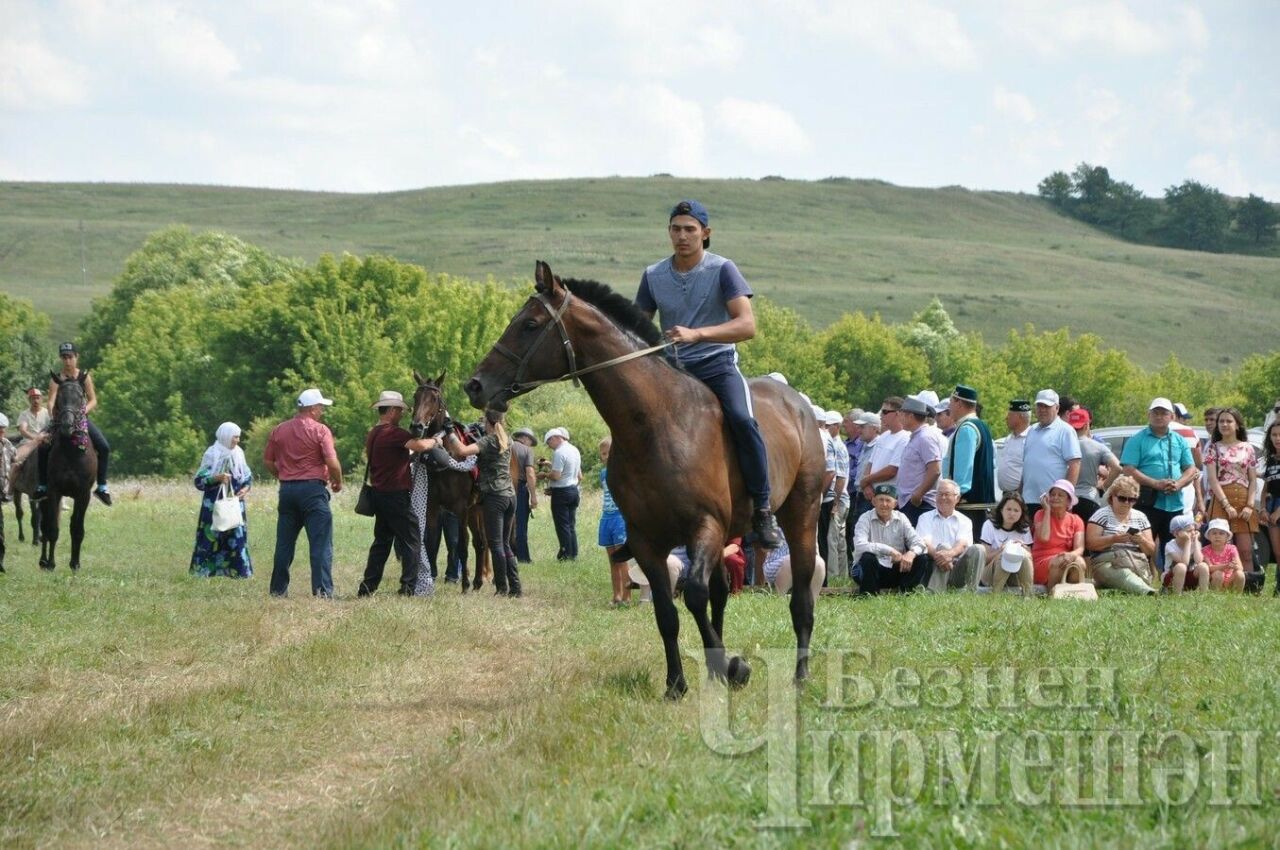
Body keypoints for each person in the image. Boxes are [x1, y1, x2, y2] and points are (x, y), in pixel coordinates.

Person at [635, 199, 782, 547]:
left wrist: (697, 334)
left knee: (744, 421)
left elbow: (747, 325)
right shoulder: (653, 275)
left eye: (689, 229)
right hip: (673, 371)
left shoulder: (723, 269)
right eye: (676, 229)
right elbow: (635, 327)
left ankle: (762, 509)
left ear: (705, 233)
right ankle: (644, 516)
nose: (682, 236)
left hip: (717, 366)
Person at [263, 388, 343, 598]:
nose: (322, 411)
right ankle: (322, 591)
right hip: (313, 490)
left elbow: (268, 461)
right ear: (313, 409)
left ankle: (278, 591)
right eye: (321, 407)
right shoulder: (321, 430)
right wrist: (338, 480)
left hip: (287, 491)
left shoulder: (279, 430)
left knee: (284, 544)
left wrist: (283, 475)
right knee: (320, 543)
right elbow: (332, 461)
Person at [357, 391, 437, 598]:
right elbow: (420, 445)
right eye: (400, 410)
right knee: (412, 540)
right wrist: (437, 439)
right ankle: (408, 588)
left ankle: (367, 588)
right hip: (396, 496)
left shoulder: (373, 433)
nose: (402, 414)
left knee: (381, 543)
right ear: (391, 410)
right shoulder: (394, 433)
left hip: (379, 494)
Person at [445, 408, 521, 596]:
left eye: (483, 421)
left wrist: (449, 431)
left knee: (495, 544)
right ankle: (516, 588)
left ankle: (502, 589)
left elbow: (461, 450)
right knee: (504, 543)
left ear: (488, 422)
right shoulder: (507, 439)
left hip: (494, 497)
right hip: (510, 496)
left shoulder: (489, 441)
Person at [1119, 397, 1197, 558]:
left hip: (1174, 503)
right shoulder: (1137, 439)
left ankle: (1171, 580)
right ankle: (1141, 579)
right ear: (1149, 415)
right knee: (1142, 545)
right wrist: (1155, 483)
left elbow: (1191, 468)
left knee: (1175, 547)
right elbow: (1128, 468)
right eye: (1155, 412)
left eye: (1164, 413)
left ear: (1172, 417)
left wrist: (1179, 484)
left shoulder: (1179, 440)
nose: (1159, 416)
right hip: (1147, 502)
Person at [37, 342, 113, 505]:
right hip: (60, 419)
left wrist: (82, 412)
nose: (67, 361)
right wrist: (52, 414)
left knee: (104, 447)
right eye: (64, 357)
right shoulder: (56, 379)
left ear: (76, 357)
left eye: (70, 357)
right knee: (42, 446)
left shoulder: (84, 377)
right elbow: (50, 401)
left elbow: (93, 400)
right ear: (61, 358)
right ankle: (42, 486)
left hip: (80, 419)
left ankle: (102, 487)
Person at [189, 422, 253, 578]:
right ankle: (204, 572)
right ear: (225, 436)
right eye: (235, 437)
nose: (237, 440)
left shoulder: (238, 454)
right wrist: (215, 478)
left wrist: (244, 489)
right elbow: (199, 481)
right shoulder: (212, 454)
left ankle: (239, 572)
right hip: (213, 506)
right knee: (209, 538)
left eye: (238, 437)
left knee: (236, 538)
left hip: (235, 504)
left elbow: (247, 477)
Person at [1204, 406, 1258, 573]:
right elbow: (1212, 480)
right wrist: (1226, 504)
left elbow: (1253, 479)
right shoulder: (1213, 447)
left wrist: (1249, 505)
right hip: (1221, 500)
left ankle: (1248, 586)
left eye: (1229, 421)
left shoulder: (1247, 448)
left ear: (1237, 425)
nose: (1224, 424)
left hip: (1243, 500)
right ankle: (1220, 587)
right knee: (1218, 548)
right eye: (1221, 421)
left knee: (1246, 551)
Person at [1085, 474, 1158, 595]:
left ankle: (1131, 587)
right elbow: (1090, 544)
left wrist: (1142, 541)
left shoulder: (1141, 517)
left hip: (1136, 562)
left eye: (1132, 499)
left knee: (1130, 578)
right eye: (1122, 498)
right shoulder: (1101, 515)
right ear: (1112, 496)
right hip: (1107, 562)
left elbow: (1151, 550)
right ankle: (1148, 592)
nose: (1127, 503)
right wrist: (1113, 539)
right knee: (1124, 576)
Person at [853, 483, 929, 594]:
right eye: (880, 500)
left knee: (922, 557)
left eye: (888, 500)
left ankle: (906, 592)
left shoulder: (901, 518)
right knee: (867, 557)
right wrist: (890, 551)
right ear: (874, 502)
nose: (884, 504)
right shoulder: (865, 518)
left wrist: (911, 553)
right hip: (870, 571)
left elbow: (919, 542)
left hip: (895, 569)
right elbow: (860, 545)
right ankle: (868, 594)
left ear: (895, 504)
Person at [942, 385, 996, 531]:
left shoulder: (966, 428)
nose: (949, 407)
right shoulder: (982, 425)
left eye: (951, 402)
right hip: (981, 503)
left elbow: (963, 470)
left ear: (959, 403)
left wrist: (954, 495)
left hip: (969, 504)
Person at [1020, 389, 1081, 518]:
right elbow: (1027, 465)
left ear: (1057, 408)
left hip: (1053, 503)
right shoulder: (1031, 430)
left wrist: (1066, 498)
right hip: (1028, 501)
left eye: (1047, 406)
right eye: (1039, 406)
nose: (1042, 409)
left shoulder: (1065, 430)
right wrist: (1019, 494)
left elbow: (1074, 465)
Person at [916, 479, 985, 592]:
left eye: (947, 494)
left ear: (957, 498)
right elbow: (925, 543)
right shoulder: (925, 517)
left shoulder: (965, 521)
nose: (943, 498)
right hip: (932, 566)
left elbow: (963, 544)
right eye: (940, 494)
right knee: (944, 546)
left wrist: (949, 555)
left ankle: (971, 592)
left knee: (979, 549)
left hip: (957, 568)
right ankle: (935, 592)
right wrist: (942, 556)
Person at [1066, 407, 1121, 521]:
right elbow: (1117, 467)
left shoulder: (1062, 446)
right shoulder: (1098, 446)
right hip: (1089, 499)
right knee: (1090, 537)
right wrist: (1105, 486)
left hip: (1066, 500)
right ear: (1087, 425)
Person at [1032, 478, 1086, 590]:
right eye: (1052, 494)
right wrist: (1047, 510)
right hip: (1041, 562)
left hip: (1065, 558)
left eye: (1060, 495)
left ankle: (1072, 596)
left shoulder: (1076, 520)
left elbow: (1080, 548)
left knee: (1080, 562)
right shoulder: (1040, 514)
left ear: (1068, 501)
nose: (1055, 497)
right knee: (1059, 561)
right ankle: (1052, 596)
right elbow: (1044, 538)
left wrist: (1072, 555)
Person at [895, 395, 942, 524]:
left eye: (902, 414)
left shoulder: (925, 437)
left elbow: (935, 470)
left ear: (910, 416)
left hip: (920, 504)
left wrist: (918, 494)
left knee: (918, 542)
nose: (899, 417)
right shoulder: (916, 437)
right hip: (910, 502)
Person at [978, 492, 1034, 596]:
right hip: (990, 574)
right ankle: (996, 595)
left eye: (1016, 510)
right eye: (1008, 509)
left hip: (1015, 574)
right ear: (1001, 509)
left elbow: (1030, 558)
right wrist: (1001, 550)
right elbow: (985, 559)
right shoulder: (989, 525)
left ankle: (1028, 596)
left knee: (1025, 556)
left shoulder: (1025, 528)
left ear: (1021, 513)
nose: (1012, 514)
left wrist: (1024, 548)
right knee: (1004, 556)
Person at [596, 436, 630, 606]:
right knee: (613, 560)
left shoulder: (624, 471)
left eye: (609, 453)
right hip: (606, 518)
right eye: (603, 454)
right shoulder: (603, 473)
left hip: (619, 518)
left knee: (622, 559)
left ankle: (627, 596)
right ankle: (616, 595)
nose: (607, 456)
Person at [540, 427, 581, 561]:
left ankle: (565, 554)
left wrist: (544, 475)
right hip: (574, 490)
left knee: (562, 525)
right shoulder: (574, 450)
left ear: (555, 438)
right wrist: (551, 464)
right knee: (571, 524)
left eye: (549, 442)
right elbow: (579, 475)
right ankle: (573, 553)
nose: (549, 446)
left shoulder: (559, 452)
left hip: (562, 494)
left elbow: (556, 476)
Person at [860, 397, 907, 505]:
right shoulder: (883, 436)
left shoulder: (905, 438)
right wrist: (867, 486)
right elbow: (870, 464)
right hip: (872, 494)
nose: (881, 416)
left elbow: (891, 471)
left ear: (898, 414)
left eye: (885, 412)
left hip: (889, 498)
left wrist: (866, 481)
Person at [824, 411, 851, 581]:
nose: (825, 428)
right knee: (839, 540)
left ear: (837, 427)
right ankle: (841, 576)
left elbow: (840, 477)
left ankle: (832, 575)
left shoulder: (838, 447)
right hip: (841, 498)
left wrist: (834, 502)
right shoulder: (833, 443)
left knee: (831, 539)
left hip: (838, 498)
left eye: (829, 425)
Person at [510, 427, 538, 563]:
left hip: (501, 489)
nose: (530, 445)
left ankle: (507, 555)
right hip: (519, 489)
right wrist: (533, 496)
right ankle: (523, 557)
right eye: (530, 442)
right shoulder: (527, 450)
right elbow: (530, 474)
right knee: (520, 524)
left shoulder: (505, 445)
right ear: (526, 438)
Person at [1163, 513, 1208, 593]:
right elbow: (1185, 562)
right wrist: (1188, 542)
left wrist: (1196, 541)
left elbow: (1199, 560)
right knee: (1181, 566)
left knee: (1203, 566)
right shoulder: (1170, 546)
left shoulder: (1195, 543)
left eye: (1194, 530)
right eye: (1189, 531)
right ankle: (1177, 595)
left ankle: (1203, 594)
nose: (1193, 533)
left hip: (1189, 579)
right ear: (1176, 533)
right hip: (1172, 579)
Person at [997, 399, 1032, 496]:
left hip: (1021, 494)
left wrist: (1019, 493)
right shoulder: (1009, 438)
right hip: (1006, 494)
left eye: (1010, 415)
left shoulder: (1031, 438)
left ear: (1020, 417)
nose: (1006, 418)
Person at [1261, 421, 1280, 596]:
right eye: (1274, 435)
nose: (1277, 438)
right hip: (1272, 504)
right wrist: (1263, 508)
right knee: (1277, 552)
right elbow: (1266, 488)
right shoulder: (1271, 459)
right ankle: (1278, 588)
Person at [1203, 518, 1246, 591]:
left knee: (1240, 574)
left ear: (1227, 537)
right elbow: (1209, 568)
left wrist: (1234, 565)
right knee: (1218, 574)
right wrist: (1225, 566)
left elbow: (1240, 567)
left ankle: (1236, 596)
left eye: (1221, 533)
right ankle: (1215, 594)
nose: (1217, 536)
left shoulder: (1232, 548)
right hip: (1213, 579)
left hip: (1229, 580)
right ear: (1209, 536)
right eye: (1214, 533)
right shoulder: (1205, 550)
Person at [0, 414, 12, 573]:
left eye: (3, 429)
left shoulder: (7, 445)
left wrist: (36, 442)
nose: (1, 432)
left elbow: (18, 456)